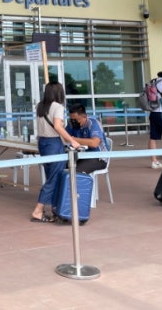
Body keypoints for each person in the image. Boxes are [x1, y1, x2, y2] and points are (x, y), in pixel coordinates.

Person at [30, 81, 81, 223]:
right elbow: (58, 127)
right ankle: (38, 210)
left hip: (43, 143)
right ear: (59, 93)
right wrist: (72, 141)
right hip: (53, 143)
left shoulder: (40, 106)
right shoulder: (58, 107)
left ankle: (54, 208)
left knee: (51, 176)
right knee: (54, 178)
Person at [66, 104, 108, 174]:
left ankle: (80, 184)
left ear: (84, 116)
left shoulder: (93, 124)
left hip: (98, 157)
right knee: (61, 166)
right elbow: (65, 137)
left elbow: (95, 143)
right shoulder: (71, 124)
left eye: (76, 120)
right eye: (71, 119)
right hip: (81, 155)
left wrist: (74, 139)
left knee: (76, 172)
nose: (73, 122)